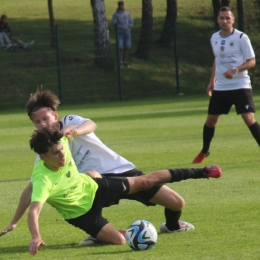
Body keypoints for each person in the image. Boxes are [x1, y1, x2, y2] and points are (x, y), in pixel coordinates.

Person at [0, 90, 202, 246]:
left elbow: (92, 125)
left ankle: (172, 226)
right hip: (94, 185)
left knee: (176, 203)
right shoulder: (44, 154)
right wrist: (14, 221)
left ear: (56, 115)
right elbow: (31, 190)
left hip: (121, 171)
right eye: (38, 122)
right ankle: (98, 233)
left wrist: (76, 132)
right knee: (92, 185)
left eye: (46, 118)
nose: (43, 124)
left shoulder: (70, 122)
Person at [28, 126, 221, 256]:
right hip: (82, 214)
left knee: (146, 181)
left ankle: (201, 172)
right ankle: (99, 235)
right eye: (56, 153)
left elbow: (85, 126)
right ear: (43, 157)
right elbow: (34, 211)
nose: (62, 154)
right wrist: (36, 236)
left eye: (62, 149)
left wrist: (75, 131)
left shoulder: (61, 144)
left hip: (97, 189)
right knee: (121, 241)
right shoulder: (42, 179)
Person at [192, 6, 259, 164]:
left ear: (233, 20)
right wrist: (212, 80)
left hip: (240, 85)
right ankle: (205, 150)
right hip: (222, 87)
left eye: (227, 18)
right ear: (218, 20)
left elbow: (252, 61)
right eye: (222, 18)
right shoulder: (214, 37)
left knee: (248, 118)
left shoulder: (241, 38)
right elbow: (217, 59)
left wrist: (235, 70)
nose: (224, 21)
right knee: (211, 121)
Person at [112, 1, 134, 68]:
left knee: (127, 47)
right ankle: (120, 62)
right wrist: (121, 27)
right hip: (120, 33)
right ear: (118, 6)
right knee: (120, 48)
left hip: (127, 33)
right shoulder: (116, 15)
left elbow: (131, 22)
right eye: (120, 5)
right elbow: (114, 24)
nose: (121, 6)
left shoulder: (127, 14)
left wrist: (129, 26)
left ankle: (125, 61)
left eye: (122, 5)